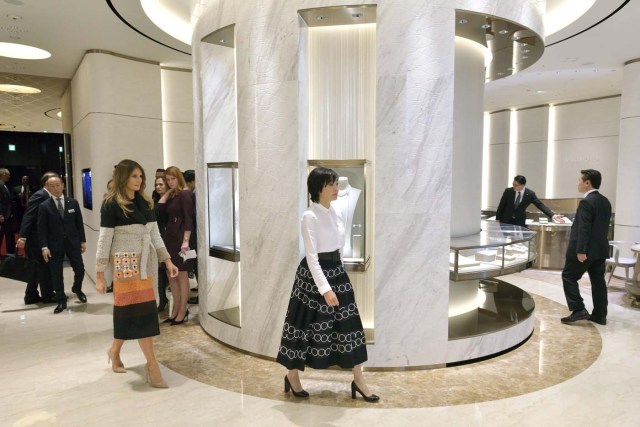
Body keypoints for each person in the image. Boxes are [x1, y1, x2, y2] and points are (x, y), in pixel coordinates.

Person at [276, 167, 379, 402]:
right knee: (303, 327)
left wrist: (339, 279)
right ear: (318, 188)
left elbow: (339, 249)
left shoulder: (337, 211)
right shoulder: (309, 216)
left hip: (336, 274)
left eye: (336, 183)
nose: (336, 188)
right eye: (331, 184)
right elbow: (312, 257)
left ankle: (359, 379)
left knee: (350, 327)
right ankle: (292, 375)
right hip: (313, 278)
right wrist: (325, 288)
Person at [95, 159, 178, 388]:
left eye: (141, 176)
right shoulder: (111, 204)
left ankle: (114, 351)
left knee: (141, 313)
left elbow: (155, 236)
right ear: (123, 177)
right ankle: (152, 365)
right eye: (134, 176)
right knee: (131, 313)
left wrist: (167, 260)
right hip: (125, 267)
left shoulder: (145, 201)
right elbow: (104, 240)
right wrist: (100, 273)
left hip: (146, 266)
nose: (138, 180)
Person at [560, 169, 612, 326]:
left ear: (587, 183)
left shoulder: (586, 202)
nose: (578, 183)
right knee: (598, 282)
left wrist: (581, 250)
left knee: (568, 276)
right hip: (600, 249)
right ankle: (600, 315)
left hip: (585, 250)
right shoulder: (605, 201)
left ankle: (578, 309)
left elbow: (584, 228)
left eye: (579, 180)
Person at [37, 176, 87, 314]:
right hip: (54, 244)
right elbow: (41, 229)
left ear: (63, 185)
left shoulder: (73, 203)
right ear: (48, 187)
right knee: (56, 273)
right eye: (52, 186)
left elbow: (79, 223)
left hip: (73, 242)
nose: (56, 188)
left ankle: (77, 288)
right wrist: (44, 247)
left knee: (80, 269)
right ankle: (61, 300)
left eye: (58, 185)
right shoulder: (44, 206)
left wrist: (82, 241)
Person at [157, 166, 193, 325]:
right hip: (169, 238)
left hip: (181, 240)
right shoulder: (173, 194)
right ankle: (175, 310)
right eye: (168, 179)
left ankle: (182, 310)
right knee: (172, 276)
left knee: (182, 276)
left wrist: (186, 242)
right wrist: (167, 192)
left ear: (179, 177)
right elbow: (159, 210)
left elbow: (188, 219)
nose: (170, 182)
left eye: (173, 179)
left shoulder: (185, 194)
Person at [16, 171, 59, 304]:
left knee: (36, 267)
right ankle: (47, 295)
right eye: (54, 183)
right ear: (47, 183)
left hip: (38, 237)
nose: (57, 186)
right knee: (43, 266)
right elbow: (29, 215)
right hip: (35, 239)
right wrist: (22, 236)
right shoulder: (40, 195)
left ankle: (30, 295)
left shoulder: (46, 195)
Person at [496, 175, 564, 227]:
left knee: (518, 242)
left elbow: (540, 205)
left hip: (519, 221)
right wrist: (497, 219)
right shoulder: (508, 191)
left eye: (516, 185)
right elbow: (501, 205)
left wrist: (553, 215)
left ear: (522, 185)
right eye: (513, 184)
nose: (513, 186)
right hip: (506, 220)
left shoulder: (530, 194)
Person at [153, 176, 170, 312]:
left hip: (168, 237)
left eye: (161, 184)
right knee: (160, 270)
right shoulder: (154, 198)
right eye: (156, 184)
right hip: (157, 237)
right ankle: (162, 298)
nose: (158, 187)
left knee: (167, 270)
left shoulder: (171, 200)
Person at [183, 169, 199, 303]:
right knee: (195, 264)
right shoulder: (192, 194)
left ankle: (202, 294)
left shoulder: (194, 195)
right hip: (194, 236)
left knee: (198, 265)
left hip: (196, 236)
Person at [0, 168, 15, 256]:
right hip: (3, 216)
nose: (9, 177)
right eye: (8, 175)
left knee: (9, 235)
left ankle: (10, 255)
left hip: (7, 216)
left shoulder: (4, 185)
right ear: (3, 174)